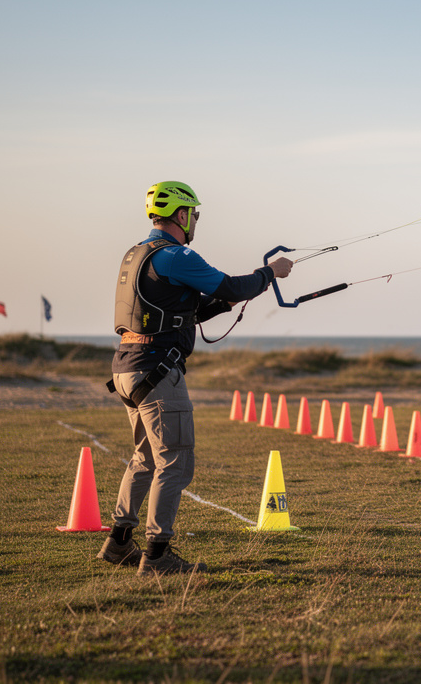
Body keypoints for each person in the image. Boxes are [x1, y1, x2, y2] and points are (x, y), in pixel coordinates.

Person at [99, 181, 293, 576]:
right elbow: (229, 285)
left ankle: (119, 543)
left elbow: (187, 311)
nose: (195, 223)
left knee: (146, 458)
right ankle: (156, 555)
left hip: (127, 366)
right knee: (175, 462)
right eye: (195, 215)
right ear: (182, 215)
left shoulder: (138, 253)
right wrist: (269, 273)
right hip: (156, 370)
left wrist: (228, 299)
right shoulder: (175, 255)